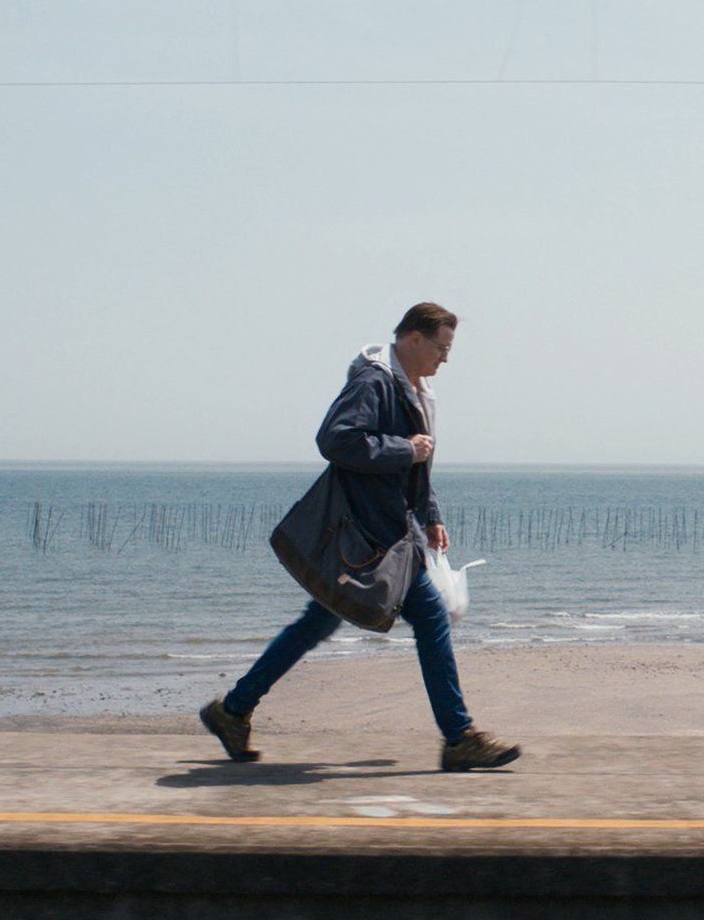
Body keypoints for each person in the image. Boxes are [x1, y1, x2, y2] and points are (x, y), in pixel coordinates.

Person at [201, 302, 524, 772]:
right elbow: (335, 439)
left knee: (319, 622)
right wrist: (403, 448)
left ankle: (232, 711)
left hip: (388, 531)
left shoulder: (411, 388)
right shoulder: (374, 382)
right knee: (430, 618)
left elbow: (417, 468)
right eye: (442, 346)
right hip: (368, 535)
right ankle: (459, 738)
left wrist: (430, 514)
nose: (446, 358)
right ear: (414, 338)